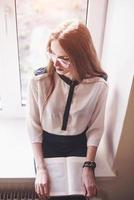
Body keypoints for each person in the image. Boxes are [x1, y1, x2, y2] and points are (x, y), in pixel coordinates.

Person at [26, 19, 108, 200]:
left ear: (81, 57)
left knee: (82, 195)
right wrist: (40, 169)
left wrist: (89, 166)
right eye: (52, 54)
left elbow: (95, 129)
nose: (55, 64)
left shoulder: (98, 85)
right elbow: (34, 127)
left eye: (63, 58)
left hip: (79, 145)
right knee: (48, 194)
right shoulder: (39, 82)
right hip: (47, 145)